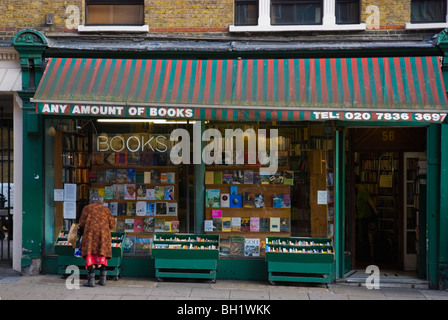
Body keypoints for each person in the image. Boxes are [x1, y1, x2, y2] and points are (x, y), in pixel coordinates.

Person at [78, 193, 115, 287]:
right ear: (101, 201)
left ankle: (91, 281)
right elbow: (112, 224)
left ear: (92, 200)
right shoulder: (106, 210)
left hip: (90, 237)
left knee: (90, 255)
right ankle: (103, 280)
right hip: (103, 237)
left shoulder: (87, 208)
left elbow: (81, 223)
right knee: (102, 254)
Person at [355, 176, 379, 262]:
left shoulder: (362, 190)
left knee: (363, 237)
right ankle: (364, 256)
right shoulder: (361, 190)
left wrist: (375, 210)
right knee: (363, 236)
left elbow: (369, 200)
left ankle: (365, 257)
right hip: (362, 216)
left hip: (363, 217)